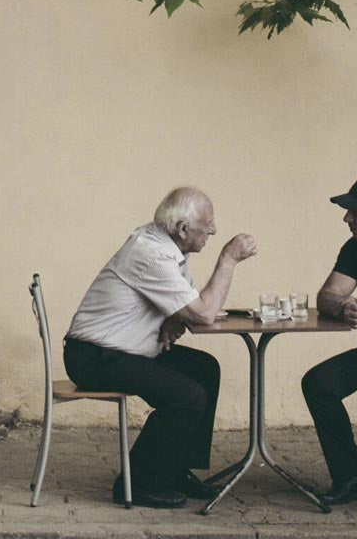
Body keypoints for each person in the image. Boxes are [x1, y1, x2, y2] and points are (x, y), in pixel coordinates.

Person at [64, 187, 257, 509]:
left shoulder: (164, 247)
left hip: (122, 351)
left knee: (204, 369)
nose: (213, 230)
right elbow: (204, 313)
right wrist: (229, 258)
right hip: (95, 357)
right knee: (187, 396)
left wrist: (172, 314)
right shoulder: (151, 252)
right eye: (207, 223)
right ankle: (139, 483)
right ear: (183, 229)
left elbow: (186, 303)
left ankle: (173, 469)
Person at [301, 174, 357, 505]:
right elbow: (326, 296)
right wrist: (344, 305)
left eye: (356, 211)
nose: (347, 218)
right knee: (319, 382)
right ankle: (353, 477)